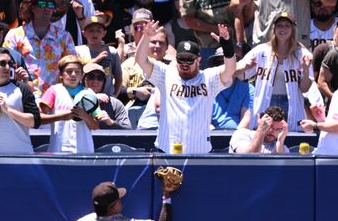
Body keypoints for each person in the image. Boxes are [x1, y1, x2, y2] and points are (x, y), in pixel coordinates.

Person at [136, 20, 236, 153]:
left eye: (189, 59)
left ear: (198, 60)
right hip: (169, 150)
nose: (184, 64)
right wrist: (146, 37)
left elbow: (230, 70)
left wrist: (227, 46)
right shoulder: (166, 74)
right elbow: (141, 60)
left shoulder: (208, 78)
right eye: (181, 59)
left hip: (199, 152)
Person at [237, 11, 313, 131]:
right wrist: (243, 67)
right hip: (266, 102)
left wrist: (306, 70)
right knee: (264, 138)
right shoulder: (261, 51)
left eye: (287, 25)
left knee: (288, 138)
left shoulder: (302, 54)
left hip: (290, 104)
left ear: (293, 29)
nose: (283, 29)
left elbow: (305, 88)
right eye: (279, 25)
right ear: (274, 28)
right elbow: (239, 75)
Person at [3, 0, 76, 99]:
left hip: (54, 99)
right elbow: (5, 65)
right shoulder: (14, 35)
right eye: (42, 4)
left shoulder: (64, 37)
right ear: (32, 8)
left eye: (50, 5)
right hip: (21, 96)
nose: (46, 8)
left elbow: (71, 67)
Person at [41, 54, 100, 153]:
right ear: (61, 74)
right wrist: (62, 116)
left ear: (81, 75)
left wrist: (85, 116)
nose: (73, 74)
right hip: (59, 150)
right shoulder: (53, 91)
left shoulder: (89, 93)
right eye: (69, 71)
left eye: (77, 72)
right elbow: (40, 118)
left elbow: (95, 126)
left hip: (84, 150)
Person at [75, 13, 121, 97]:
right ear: (84, 33)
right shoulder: (78, 51)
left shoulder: (112, 52)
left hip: (107, 98)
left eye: (98, 30)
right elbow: (77, 73)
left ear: (104, 33)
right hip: (84, 98)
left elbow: (118, 77)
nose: (95, 34)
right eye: (91, 30)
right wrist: (97, 59)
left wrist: (114, 96)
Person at [206, 48, 253, 130]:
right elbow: (205, 121)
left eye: (228, 63)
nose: (224, 66)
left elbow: (246, 119)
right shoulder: (206, 88)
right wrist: (216, 136)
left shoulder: (249, 89)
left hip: (238, 136)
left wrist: (234, 138)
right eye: (220, 63)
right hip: (211, 134)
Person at [82, 62, 131, 129]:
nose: (95, 81)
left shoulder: (115, 103)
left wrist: (111, 122)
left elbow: (128, 130)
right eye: (91, 77)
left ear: (104, 82)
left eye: (99, 78)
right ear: (84, 80)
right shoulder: (74, 99)